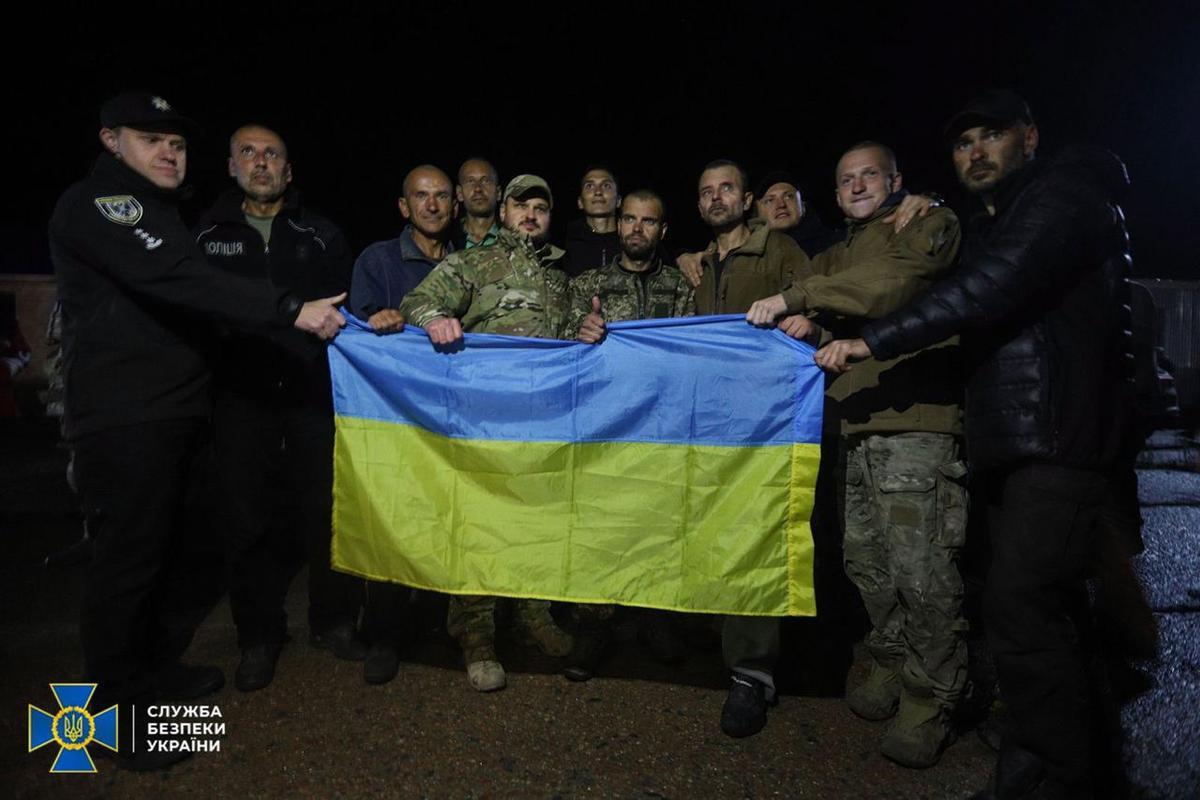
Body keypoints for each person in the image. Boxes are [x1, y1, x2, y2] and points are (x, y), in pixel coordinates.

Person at [815, 90, 1137, 799]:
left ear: (1029, 136)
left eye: (993, 136)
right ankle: (1049, 762)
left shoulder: (1054, 200)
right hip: (1013, 435)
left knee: (1000, 601)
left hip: (1055, 433)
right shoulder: (989, 221)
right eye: (964, 143)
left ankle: (1043, 764)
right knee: (1023, 606)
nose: (976, 152)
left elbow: (973, 290)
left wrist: (866, 334)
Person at [48, 92, 345, 770]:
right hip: (127, 416)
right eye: (150, 138)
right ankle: (114, 724)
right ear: (109, 140)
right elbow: (181, 278)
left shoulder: (162, 213)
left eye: (177, 143)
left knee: (163, 555)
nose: (168, 151)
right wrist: (289, 308)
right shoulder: (101, 206)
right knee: (124, 564)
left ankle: (153, 676)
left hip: (174, 412)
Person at [747, 142, 966, 767]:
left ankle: (934, 693)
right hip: (853, 425)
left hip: (915, 424)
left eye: (871, 174)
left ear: (898, 180)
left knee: (921, 570)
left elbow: (889, 285)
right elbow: (816, 292)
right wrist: (810, 324)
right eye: (846, 179)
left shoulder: (927, 223)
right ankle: (894, 662)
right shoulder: (838, 249)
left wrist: (801, 300)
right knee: (866, 561)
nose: (859, 185)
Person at [194, 124, 361, 693]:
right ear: (231, 166)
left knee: (326, 511)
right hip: (240, 398)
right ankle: (259, 636)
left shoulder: (321, 234)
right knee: (246, 521)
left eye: (272, 155)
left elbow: (348, 314)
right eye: (248, 152)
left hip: (313, 394)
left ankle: (333, 620)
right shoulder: (205, 233)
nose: (260, 163)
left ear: (289, 171)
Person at [399, 174, 576, 692]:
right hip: (485, 423)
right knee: (479, 527)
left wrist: (586, 334)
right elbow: (417, 300)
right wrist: (435, 318)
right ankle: (476, 635)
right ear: (502, 212)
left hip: (544, 427)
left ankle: (533, 615)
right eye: (521, 205)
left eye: (541, 207)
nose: (531, 214)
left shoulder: (559, 278)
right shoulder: (472, 262)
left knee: (535, 523)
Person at [684, 159, 813, 737]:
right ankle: (720, 645)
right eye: (706, 191)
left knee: (755, 539)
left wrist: (807, 321)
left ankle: (752, 675)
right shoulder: (701, 264)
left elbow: (815, 306)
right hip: (710, 428)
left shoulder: (780, 251)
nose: (716, 198)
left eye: (727, 188)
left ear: (747, 197)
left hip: (765, 428)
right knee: (715, 536)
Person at [566, 188, 695, 681]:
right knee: (598, 533)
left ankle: (654, 619)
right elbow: (561, 345)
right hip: (604, 430)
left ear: (663, 231)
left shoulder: (682, 287)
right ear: (618, 225)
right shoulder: (588, 285)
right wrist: (580, 332)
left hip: (661, 431)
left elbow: (693, 350)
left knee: (660, 529)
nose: (637, 229)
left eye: (648, 222)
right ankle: (592, 629)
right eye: (629, 220)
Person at [348, 164, 458, 684]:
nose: (432, 205)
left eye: (441, 196)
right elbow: (355, 329)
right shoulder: (377, 260)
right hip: (396, 419)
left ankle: (440, 623)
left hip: (452, 417)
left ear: (454, 205)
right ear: (403, 206)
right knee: (394, 521)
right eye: (421, 196)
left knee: (447, 516)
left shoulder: (467, 262)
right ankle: (385, 632)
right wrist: (377, 321)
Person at [753, 170, 840, 257]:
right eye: (770, 200)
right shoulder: (750, 256)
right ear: (756, 211)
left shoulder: (835, 246)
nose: (781, 205)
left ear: (803, 205)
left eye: (789, 197)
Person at [562, 166, 621, 277]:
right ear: (580, 202)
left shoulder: (632, 239)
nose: (598, 192)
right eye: (589, 186)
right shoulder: (564, 241)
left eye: (606, 186)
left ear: (618, 200)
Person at [452, 157, 501, 250]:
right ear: (459, 193)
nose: (478, 189)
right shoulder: (447, 241)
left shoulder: (513, 239)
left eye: (485, 181)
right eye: (470, 181)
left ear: (498, 192)